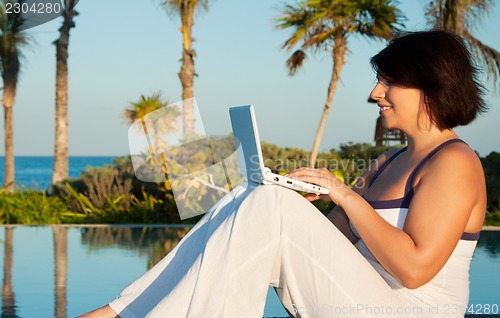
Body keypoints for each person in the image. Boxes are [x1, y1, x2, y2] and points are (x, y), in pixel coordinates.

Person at [80, 30, 487, 318]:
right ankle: (120, 312)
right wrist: (290, 195)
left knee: (267, 202)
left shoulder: (454, 162)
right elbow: (330, 246)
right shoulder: (386, 163)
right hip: (360, 298)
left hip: (406, 310)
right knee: (250, 195)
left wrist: (344, 195)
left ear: (432, 86)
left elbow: (415, 271)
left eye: (390, 81)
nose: (375, 93)